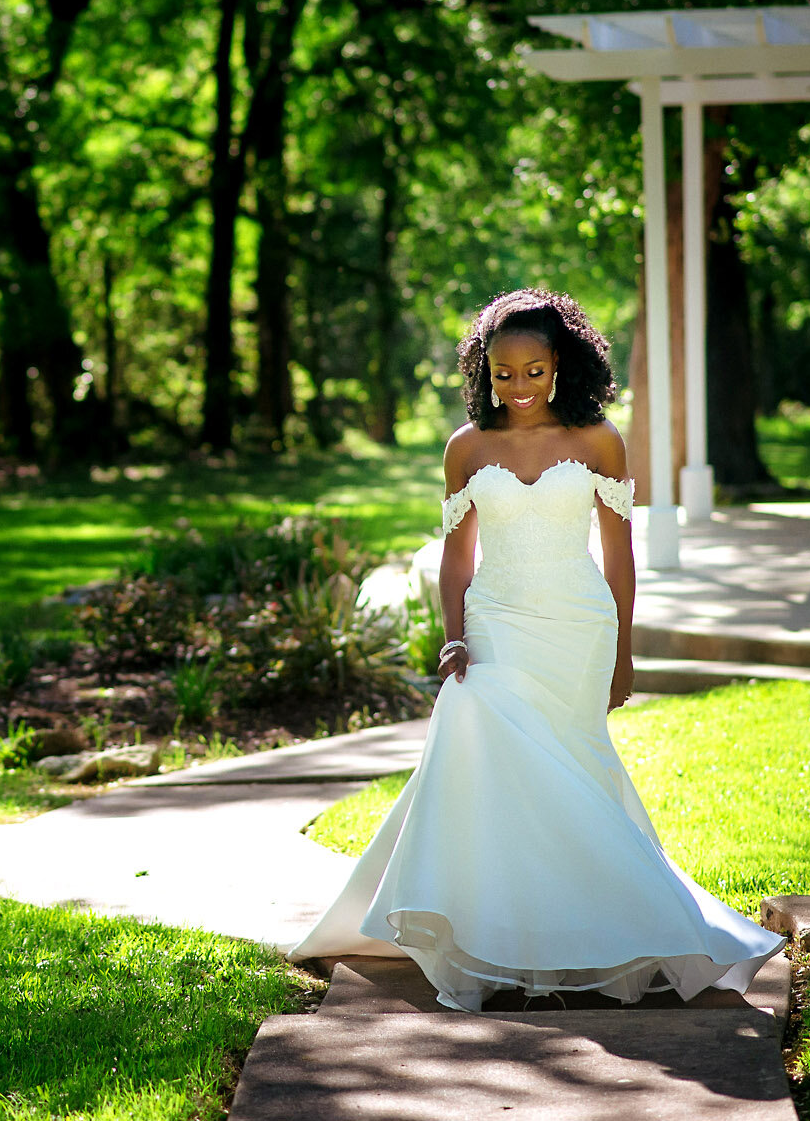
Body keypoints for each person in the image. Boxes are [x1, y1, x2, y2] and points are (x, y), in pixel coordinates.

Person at [289, 287, 783, 1011]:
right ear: (483, 371)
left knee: (574, 775)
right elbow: (457, 559)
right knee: (487, 746)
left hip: (576, 629)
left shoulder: (598, 442)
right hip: (495, 622)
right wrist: (453, 634)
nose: (518, 387)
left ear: (562, 365)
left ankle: (605, 928)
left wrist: (623, 653)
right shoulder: (468, 448)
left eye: (534, 371)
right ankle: (496, 937)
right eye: (503, 373)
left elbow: (621, 558)